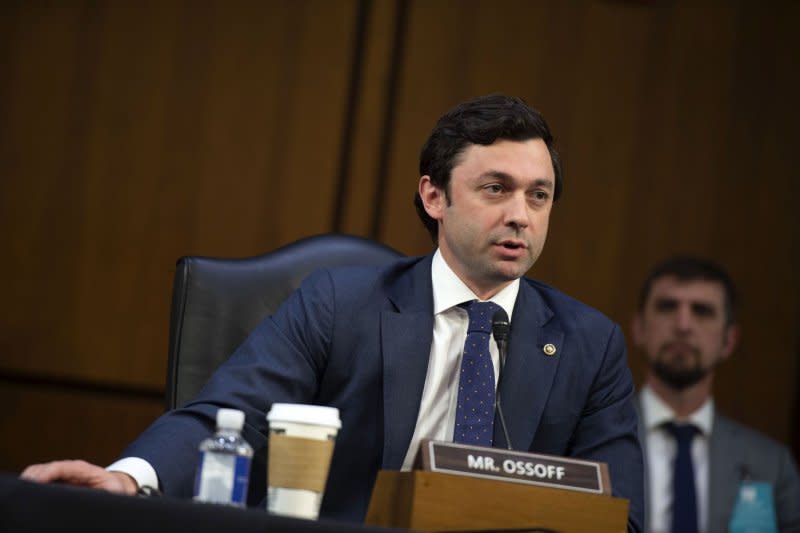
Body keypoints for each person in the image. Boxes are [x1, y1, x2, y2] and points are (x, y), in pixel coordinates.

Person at [21, 94, 644, 531]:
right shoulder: (339, 305)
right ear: (434, 195)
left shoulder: (590, 344)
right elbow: (230, 417)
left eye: (540, 196)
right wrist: (131, 479)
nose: (521, 215)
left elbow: (622, 514)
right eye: (495, 188)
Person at [632, 255, 800, 533]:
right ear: (639, 328)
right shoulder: (593, 439)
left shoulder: (771, 466)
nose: (683, 325)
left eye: (702, 311)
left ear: (729, 340)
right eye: (667, 307)